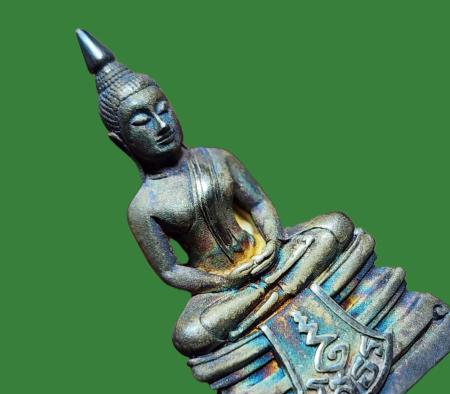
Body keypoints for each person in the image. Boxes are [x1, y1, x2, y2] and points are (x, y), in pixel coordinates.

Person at [77, 29, 354, 356]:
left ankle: (267, 300)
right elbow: (170, 270)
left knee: (337, 226)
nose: (161, 125)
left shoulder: (217, 158)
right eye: (142, 121)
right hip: (222, 288)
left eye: (163, 110)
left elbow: (258, 202)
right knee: (190, 335)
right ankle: (281, 292)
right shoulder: (142, 208)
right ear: (120, 141)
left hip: (269, 255)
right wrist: (224, 282)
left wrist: (273, 240)